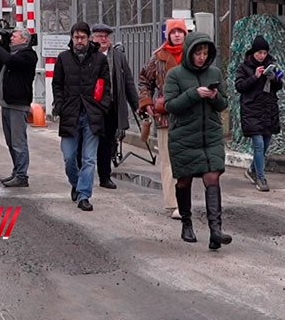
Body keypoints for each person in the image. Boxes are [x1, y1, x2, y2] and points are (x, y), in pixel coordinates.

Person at [164, 32, 230, 248]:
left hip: (210, 135)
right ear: (189, 53)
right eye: (198, 53)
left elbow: (223, 104)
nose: (201, 57)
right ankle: (186, 222)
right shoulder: (175, 75)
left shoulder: (215, 72)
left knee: (212, 177)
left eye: (205, 53)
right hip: (183, 136)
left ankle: (215, 231)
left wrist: (214, 96)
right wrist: (194, 93)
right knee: (184, 180)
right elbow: (170, 105)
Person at [53, 21, 110, 211]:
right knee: (69, 157)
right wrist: (59, 105)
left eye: (83, 37)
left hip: (92, 114)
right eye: (76, 37)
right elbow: (57, 85)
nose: (79, 41)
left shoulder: (99, 59)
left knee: (89, 159)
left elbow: (106, 86)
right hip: (70, 114)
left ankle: (84, 195)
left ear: (88, 38)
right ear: (72, 38)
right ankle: (76, 184)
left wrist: (102, 107)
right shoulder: (63, 58)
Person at [137, 19, 187, 217]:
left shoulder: (194, 55)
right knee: (167, 159)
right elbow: (144, 80)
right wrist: (147, 102)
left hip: (189, 115)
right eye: (173, 31)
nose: (176, 35)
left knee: (186, 160)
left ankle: (185, 199)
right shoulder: (158, 57)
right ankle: (174, 203)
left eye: (179, 31)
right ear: (167, 34)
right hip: (165, 116)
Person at [90, 24, 140, 190]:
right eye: (99, 36)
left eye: (106, 36)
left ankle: (105, 176)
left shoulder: (117, 56)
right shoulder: (87, 55)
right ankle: (83, 176)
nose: (103, 39)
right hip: (91, 107)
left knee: (107, 143)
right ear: (92, 38)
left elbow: (128, 83)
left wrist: (137, 106)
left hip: (111, 107)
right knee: (88, 142)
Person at [0, 29, 38, 188]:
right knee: (10, 142)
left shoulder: (28, 55)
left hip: (18, 104)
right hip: (6, 103)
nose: (11, 39)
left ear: (24, 39)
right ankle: (17, 172)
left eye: (14, 37)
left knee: (18, 142)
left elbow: (9, 60)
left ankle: (22, 175)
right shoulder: (10, 54)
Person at [234, 35, 284, 192]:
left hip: (268, 110)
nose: (262, 56)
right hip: (252, 111)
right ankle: (261, 178)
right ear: (253, 52)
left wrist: (274, 78)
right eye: (259, 53)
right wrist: (255, 77)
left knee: (266, 144)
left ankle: (252, 170)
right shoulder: (243, 67)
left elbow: (280, 84)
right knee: (259, 144)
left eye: (264, 53)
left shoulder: (273, 65)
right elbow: (240, 87)